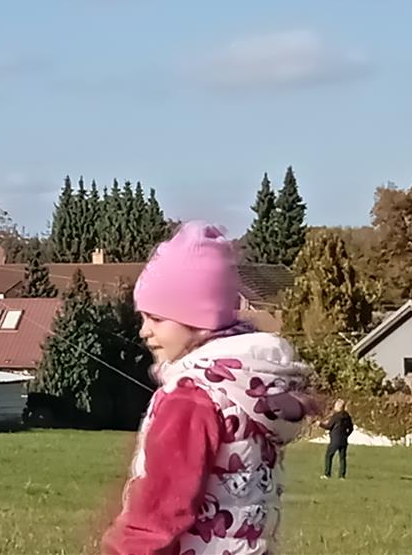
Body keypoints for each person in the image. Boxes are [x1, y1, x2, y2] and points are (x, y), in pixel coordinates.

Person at [100, 222, 314, 555]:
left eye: (156, 318)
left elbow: (163, 506)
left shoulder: (191, 398)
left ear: (198, 320)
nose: (143, 331)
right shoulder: (248, 387)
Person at [320, 399, 354, 480]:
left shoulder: (336, 416)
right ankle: (342, 476)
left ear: (338, 407)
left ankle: (327, 474)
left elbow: (329, 426)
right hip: (344, 440)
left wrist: (320, 424)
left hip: (335, 440)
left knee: (329, 456)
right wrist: (346, 435)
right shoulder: (347, 416)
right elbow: (351, 428)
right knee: (342, 458)